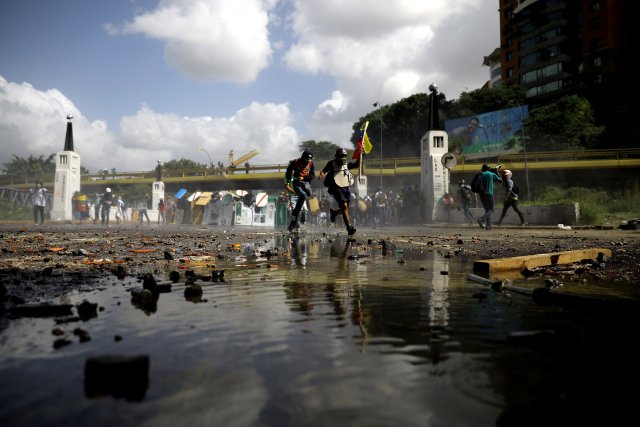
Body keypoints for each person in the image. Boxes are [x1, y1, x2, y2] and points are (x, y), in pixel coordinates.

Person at [319, 148, 359, 236]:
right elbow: (323, 171)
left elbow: (356, 165)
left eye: (344, 156)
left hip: (345, 188)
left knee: (345, 208)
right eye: (341, 156)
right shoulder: (331, 163)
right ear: (336, 156)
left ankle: (334, 212)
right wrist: (321, 175)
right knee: (344, 206)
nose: (342, 158)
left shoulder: (347, 164)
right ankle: (349, 228)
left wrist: (360, 157)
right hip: (335, 187)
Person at [284, 149, 315, 232]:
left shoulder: (311, 163)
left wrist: (304, 178)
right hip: (297, 184)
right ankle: (294, 222)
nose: (307, 163)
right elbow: (288, 172)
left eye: (308, 161)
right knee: (303, 197)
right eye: (306, 160)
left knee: (309, 195)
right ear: (302, 158)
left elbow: (312, 175)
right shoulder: (295, 162)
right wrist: (290, 178)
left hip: (306, 182)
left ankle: (295, 222)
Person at [477, 164, 502, 230]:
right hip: (489, 194)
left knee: (487, 210)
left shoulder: (480, 174)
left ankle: (488, 226)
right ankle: (482, 219)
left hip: (481, 194)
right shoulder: (491, 174)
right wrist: (496, 171)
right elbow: (500, 180)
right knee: (491, 209)